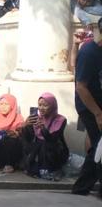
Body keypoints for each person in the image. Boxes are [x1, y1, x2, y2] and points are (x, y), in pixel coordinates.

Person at [72, 25, 102, 196]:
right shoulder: (89, 52)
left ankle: (84, 187)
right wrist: (98, 113)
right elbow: (81, 87)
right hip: (89, 106)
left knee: (99, 146)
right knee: (98, 145)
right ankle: (81, 188)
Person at [22, 93, 69, 180]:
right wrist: (26, 125)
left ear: (53, 106)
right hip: (39, 149)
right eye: (39, 105)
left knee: (45, 144)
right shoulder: (36, 118)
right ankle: (35, 168)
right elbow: (28, 138)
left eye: (45, 105)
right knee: (34, 145)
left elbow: (53, 139)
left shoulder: (60, 120)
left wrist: (43, 129)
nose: (41, 108)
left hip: (55, 150)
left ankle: (51, 169)